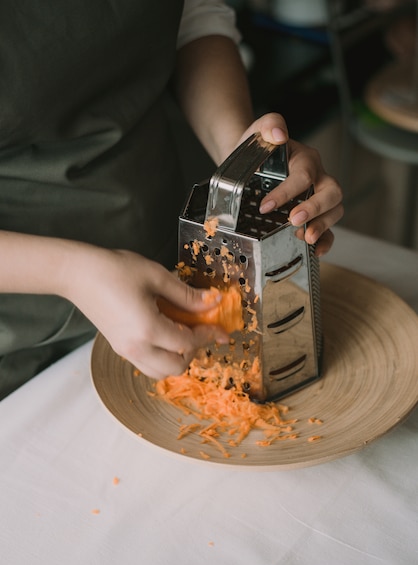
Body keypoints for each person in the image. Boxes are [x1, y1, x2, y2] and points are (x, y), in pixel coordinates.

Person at [0, 0, 344, 400]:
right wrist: (70, 273)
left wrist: (245, 157)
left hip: (168, 260)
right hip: (25, 339)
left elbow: (192, 20)